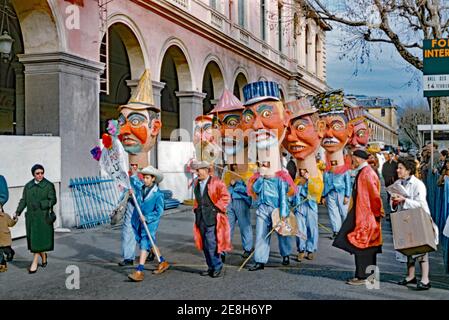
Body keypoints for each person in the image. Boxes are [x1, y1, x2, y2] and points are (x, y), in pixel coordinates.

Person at [333, 149, 384, 285]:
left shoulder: (366, 173)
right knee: (365, 246)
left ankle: (364, 276)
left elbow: (374, 196)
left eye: (352, 158)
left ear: (358, 158)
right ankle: (367, 275)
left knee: (363, 246)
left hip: (366, 215)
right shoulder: (364, 172)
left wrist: (377, 212)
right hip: (363, 214)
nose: (351, 160)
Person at [392, 156, 436, 290]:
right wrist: (394, 202)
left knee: (422, 249)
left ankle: (425, 279)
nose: (397, 170)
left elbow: (421, 204)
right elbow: (394, 202)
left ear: (408, 170)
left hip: (419, 219)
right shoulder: (399, 183)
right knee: (408, 248)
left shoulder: (418, 184)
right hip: (405, 219)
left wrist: (404, 200)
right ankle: (410, 276)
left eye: (400, 168)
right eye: (397, 168)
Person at [127, 166, 169, 282]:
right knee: (150, 241)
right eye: (144, 177)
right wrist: (132, 193)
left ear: (153, 179)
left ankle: (139, 271)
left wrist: (148, 217)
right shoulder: (141, 189)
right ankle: (162, 261)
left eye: (147, 178)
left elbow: (159, 211)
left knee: (145, 242)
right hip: (139, 220)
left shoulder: (158, 194)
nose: (144, 180)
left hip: (150, 222)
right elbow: (135, 186)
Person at [15, 164, 57, 273]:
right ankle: (43, 256)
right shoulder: (28, 186)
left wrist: (41, 204)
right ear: (33, 174)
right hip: (32, 218)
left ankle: (34, 262)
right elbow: (23, 200)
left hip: (43, 218)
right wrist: (18, 211)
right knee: (36, 240)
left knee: (39, 240)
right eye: (37, 173)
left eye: (42, 173)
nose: (40, 175)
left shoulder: (48, 185)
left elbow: (53, 200)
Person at [192, 160, 231, 278]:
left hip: (212, 218)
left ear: (206, 170)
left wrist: (216, 209)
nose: (197, 172)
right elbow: (198, 200)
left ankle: (217, 266)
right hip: (201, 218)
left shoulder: (217, 182)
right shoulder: (196, 183)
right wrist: (196, 210)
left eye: (198, 170)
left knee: (211, 243)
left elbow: (226, 197)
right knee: (204, 244)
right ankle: (210, 267)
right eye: (196, 170)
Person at [0, 208, 17, 272]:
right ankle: (2, 265)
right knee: (0, 253)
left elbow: (10, 223)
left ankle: (11, 253)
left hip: (5, 238)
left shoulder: (5, 216)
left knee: (6, 250)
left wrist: (14, 219)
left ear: (1, 208)